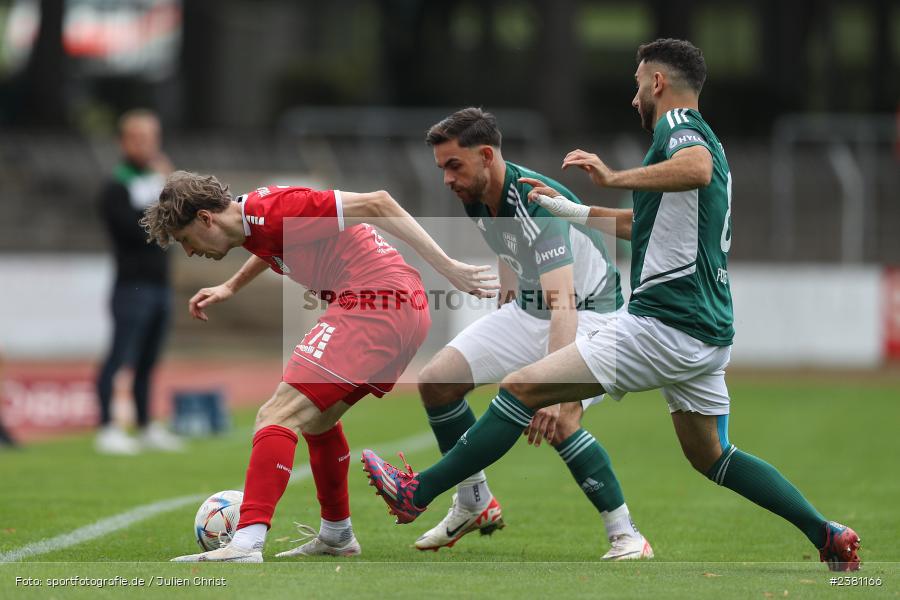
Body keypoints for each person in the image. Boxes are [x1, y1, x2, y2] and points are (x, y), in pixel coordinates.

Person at [362, 39, 861, 572]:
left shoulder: (679, 128)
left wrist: (613, 177)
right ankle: (827, 534)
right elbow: (642, 224)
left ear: (658, 83)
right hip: (705, 330)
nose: (634, 96)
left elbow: (695, 169)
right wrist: (577, 211)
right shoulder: (704, 140)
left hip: (662, 323)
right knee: (713, 456)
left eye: (638, 83)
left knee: (523, 388)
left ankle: (419, 492)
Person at [140, 171, 497, 562]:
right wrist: (231, 286)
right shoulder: (251, 222)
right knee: (317, 421)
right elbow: (270, 243)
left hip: (376, 301)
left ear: (206, 218)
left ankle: (246, 543)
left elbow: (378, 202)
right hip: (398, 307)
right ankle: (337, 535)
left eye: (185, 240)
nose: (190, 252)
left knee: (277, 413)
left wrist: (448, 267)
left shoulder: (274, 209)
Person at [411, 108, 651, 559]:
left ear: (486, 156)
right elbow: (508, 246)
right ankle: (473, 502)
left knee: (561, 420)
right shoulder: (474, 193)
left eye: (454, 165)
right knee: (437, 381)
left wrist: (552, 392)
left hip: (591, 315)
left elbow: (565, 304)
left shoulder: (535, 202)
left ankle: (627, 535)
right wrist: (507, 293)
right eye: (441, 167)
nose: (446, 178)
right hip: (529, 309)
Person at [95, 109, 182, 455]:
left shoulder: (160, 181)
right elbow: (135, 231)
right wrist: (164, 201)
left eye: (151, 138)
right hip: (131, 285)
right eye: (138, 138)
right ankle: (107, 427)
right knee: (119, 357)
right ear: (123, 142)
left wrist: (170, 186)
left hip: (160, 283)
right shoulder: (116, 185)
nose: (146, 145)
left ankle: (145, 425)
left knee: (149, 359)